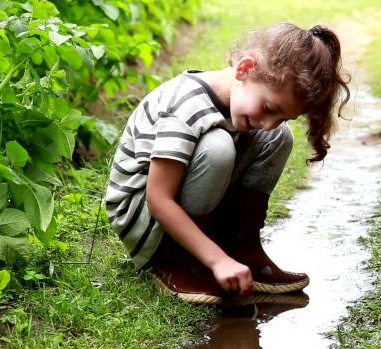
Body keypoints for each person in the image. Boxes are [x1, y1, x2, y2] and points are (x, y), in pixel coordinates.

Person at [105, 22, 349, 304]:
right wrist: (217, 261)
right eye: (269, 108)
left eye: (282, 116)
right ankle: (178, 258)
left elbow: (268, 129)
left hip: (179, 202)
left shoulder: (246, 107)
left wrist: (226, 255)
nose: (268, 123)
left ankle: (241, 246)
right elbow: (158, 198)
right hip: (144, 216)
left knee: (278, 137)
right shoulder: (184, 106)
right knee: (217, 146)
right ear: (245, 69)